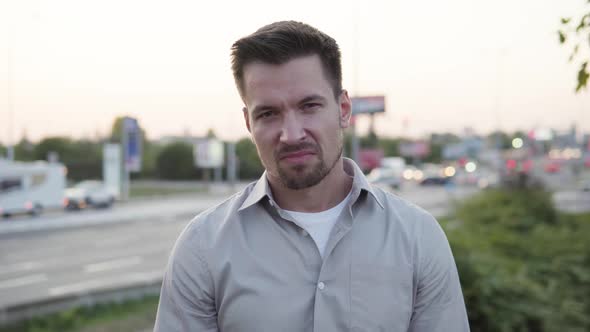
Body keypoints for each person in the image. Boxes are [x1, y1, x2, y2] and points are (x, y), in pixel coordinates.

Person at [154, 21, 470, 332]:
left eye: (309, 106)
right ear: (249, 124)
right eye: (268, 113)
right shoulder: (202, 248)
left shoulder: (417, 238)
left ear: (343, 109)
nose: (291, 134)